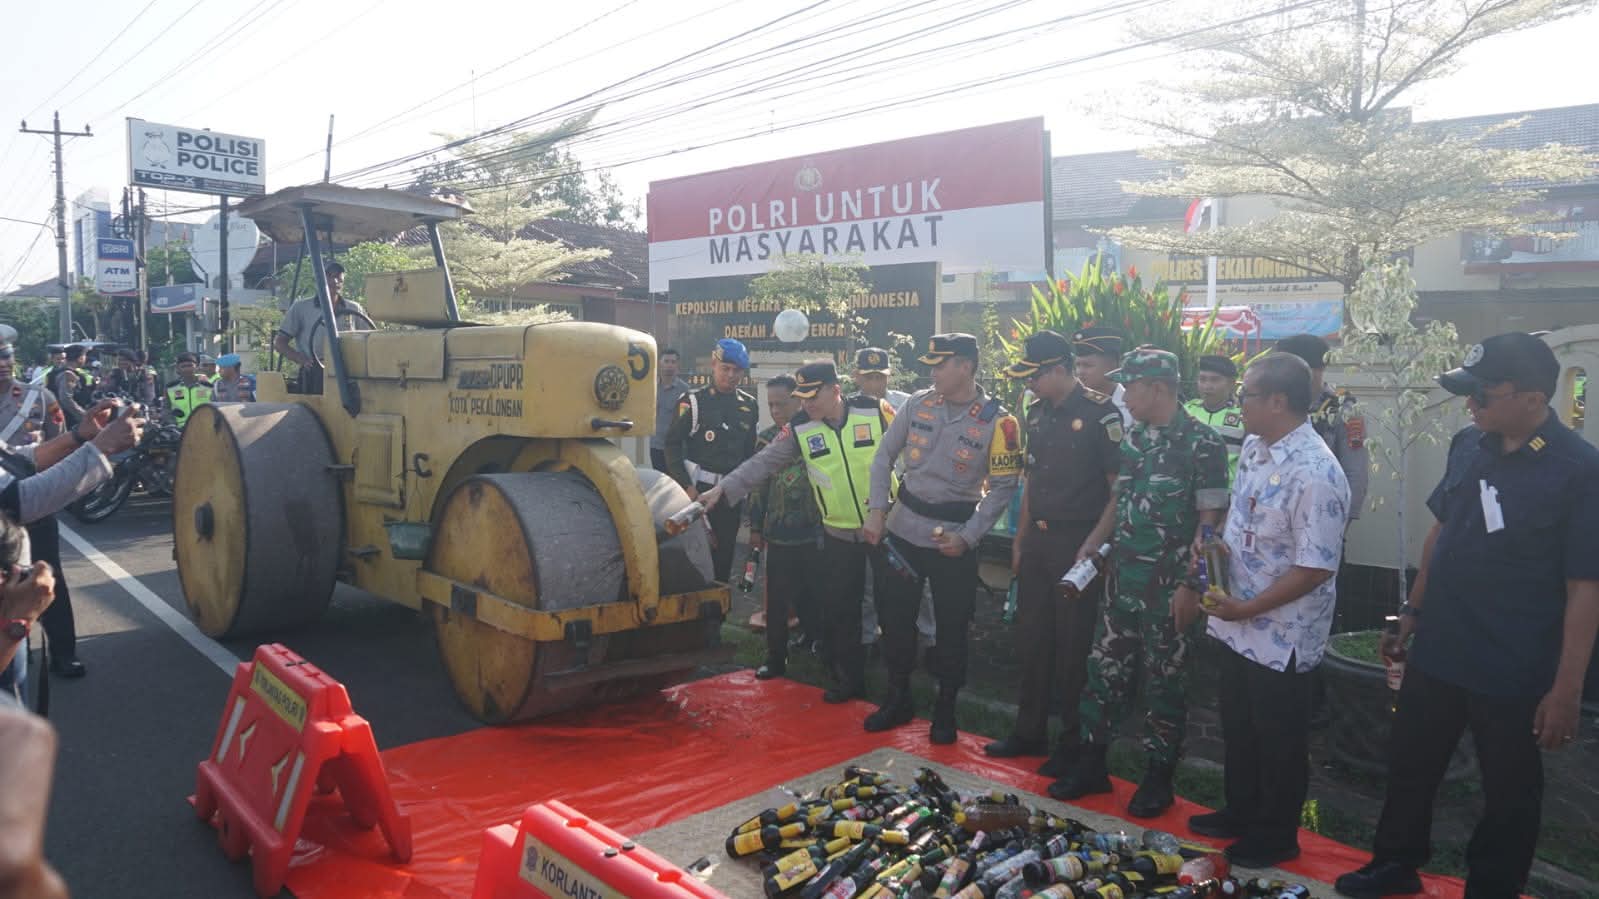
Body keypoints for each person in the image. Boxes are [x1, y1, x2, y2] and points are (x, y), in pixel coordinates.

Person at [1335, 333, 1599, 899]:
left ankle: (1493, 886)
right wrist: (1410, 612)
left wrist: (1567, 689)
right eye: (1468, 393)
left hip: (1514, 662)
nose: (1471, 405)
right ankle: (1395, 862)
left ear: (1533, 398)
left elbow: (1586, 587)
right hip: (1441, 644)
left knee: (1509, 788)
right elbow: (1443, 531)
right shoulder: (1468, 444)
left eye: (1483, 394)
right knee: (1412, 762)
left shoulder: (1580, 471)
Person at [1052, 346, 1230, 817]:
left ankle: (1158, 778)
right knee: (1104, 672)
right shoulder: (1135, 439)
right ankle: (1092, 763)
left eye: (1130, 386)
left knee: (1165, 683)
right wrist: (1093, 541)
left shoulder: (1203, 443)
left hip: (1170, 589)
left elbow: (1211, 522)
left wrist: (1193, 585)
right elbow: (1119, 499)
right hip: (1122, 581)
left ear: (1158, 388)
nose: (1124, 395)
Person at [1192, 353, 1350, 869]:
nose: (1239, 404)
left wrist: (1247, 607)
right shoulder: (1256, 448)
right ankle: (1241, 811)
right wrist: (1215, 545)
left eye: (1247, 395)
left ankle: (1277, 834)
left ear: (1278, 401)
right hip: (1236, 619)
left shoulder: (1316, 472)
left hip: (1282, 631)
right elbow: (1244, 518)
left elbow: (1315, 567)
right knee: (1239, 725)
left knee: (1279, 739)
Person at [703, 362, 895, 700]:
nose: (806, 404)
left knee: (894, 610)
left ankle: (898, 690)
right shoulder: (800, 427)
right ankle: (850, 682)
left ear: (836, 390)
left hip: (887, 529)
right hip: (839, 534)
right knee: (843, 610)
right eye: (802, 397)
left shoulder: (875, 410)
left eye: (813, 396)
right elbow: (763, 462)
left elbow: (915, 452)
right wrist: (723, 489)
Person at [863, 333, 1021, 743]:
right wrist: (877, 511)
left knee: (952, 627)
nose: (932, 373)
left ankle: (946, 708)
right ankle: (898, 697)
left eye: (940, 365)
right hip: (903, 532)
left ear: (966, 366)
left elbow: (1003, 488)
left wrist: (968, 538)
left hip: (954, 540)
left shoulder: (1000, 422)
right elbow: (883, 457)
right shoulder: (917, 404)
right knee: (896, 621)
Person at [986, 330, 1121, 779]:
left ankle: (1072, 744)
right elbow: (1033, 480)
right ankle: (1029, 732)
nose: (1029, 385)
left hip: (1077, 543)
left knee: (1072, 649)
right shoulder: (1037, 413)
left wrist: (1094, 543)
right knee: (1033, 640)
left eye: (1034, 377)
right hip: (1039, 542)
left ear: (1060, 370)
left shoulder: (1101, 414)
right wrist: (1020, 539)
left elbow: (1118, 491)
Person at [0, 327, 80, 679]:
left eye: (6, 356)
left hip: (35, 502)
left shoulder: (40, 397)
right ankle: (13, 647)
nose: (2, 363)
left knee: (48, 575)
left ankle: (64, 653)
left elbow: (59, 446)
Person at [852, 346, 934, 660]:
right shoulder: (848, 408)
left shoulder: (908, 405)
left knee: (914, 574)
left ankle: (929, 638)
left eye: (880, 377)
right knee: (867, 578)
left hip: (905, 501)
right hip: (868, 501)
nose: (875, 384)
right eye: (869, 377)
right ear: (857, 376)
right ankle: (868, 637)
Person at [741, 374, 824, 676]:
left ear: (798, 401)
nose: (776, 410)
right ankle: (776, 657)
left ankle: (817, 641)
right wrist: (755, 528)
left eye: (782, 404)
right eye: (771, 405)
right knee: (776, 598)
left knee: (813, 593)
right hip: (778, 532)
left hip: (815, 530)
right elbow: (758, 486)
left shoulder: (816, 432)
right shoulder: (766, 439)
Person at [664, 338, 758, 582]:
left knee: (724, 558)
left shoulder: (749, 406)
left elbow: (749, 454)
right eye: (725, 368)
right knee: (693, 559)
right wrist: (686, 485)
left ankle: (719, 603)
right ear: (713, 365)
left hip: (730, 494)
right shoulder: (692, 401)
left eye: (737, 370)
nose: (731, 375)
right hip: (698, 492)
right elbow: (672, 444)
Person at [1274, 334, 1368, 520]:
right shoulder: (1275, 404)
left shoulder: (1342, 410)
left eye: (1302, 369)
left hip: (1320, 513)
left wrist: (1341, 522)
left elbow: (1355, 473)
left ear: (1320, 368)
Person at [274, 261, 375, 394]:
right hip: (315, 374)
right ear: (318, 279)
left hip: (349, 372)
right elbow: (280, 343)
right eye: (329, 275)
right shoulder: (301, 308)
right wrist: (302, 360)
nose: (334, 281)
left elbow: (371, 339)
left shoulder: (354, 308)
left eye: (338, 276)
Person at [1185, 354, 1245, 482]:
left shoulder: (1243, 416)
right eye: (1202, 379)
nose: (1207, 386)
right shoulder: (1186, 411)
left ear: (1231, 383)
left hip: (1227, 489)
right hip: (1188, 486)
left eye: (1215, 380)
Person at [1073, 327, 1131, 427]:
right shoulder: (1071, 405)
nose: (1080, 372)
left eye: (1087, 365)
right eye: (1077, 365)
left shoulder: (1131, 407)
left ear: (1113, 366)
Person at [651, 348, 690, 473]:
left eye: (673, 362)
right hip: (655, 446)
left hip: (675, 449)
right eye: (666, 361)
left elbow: (684, 420)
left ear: (678, 365)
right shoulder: (651, 387)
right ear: (660, 363)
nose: (670, 365)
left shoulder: (684, 391)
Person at [164, 352, 213, 428]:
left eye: (190, 365)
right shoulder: (171, 388)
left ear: (196, 367)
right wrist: (172, 424)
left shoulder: (208, 387)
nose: (187, 369)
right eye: (183, 366)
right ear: (178, 369)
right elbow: (166, 409)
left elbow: (215, 407)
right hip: (179, 430)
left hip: (204, 428)